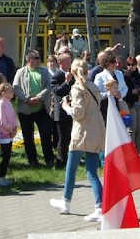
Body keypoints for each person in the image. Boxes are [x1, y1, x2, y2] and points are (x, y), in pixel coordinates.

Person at [49, 58, 105, 222]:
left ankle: (66, 202)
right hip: (96, 129)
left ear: (73, 73)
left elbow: (79, 113)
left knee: (71, 168)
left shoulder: (77, 88)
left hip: (82, 132)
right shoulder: (94, 87)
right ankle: (100, 206)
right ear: (87, 70)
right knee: (92, 172)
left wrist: (66, 107)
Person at [13, 51, 54, 168]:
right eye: (36, 58)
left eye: (39, 57)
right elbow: (16, 88)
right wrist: (27, 99)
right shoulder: (20, 72)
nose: (39, 60)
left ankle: (49, 159)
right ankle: (32, 160)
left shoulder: (44, 71)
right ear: (29, 60)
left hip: (41, 108)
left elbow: (49, 86)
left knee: (46, 134)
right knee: (28, 136)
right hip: (25, 110)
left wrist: (39, 97)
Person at [50, 51, 75, 168]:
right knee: (63, 138)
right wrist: (66, 82)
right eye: (68, 60)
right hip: (61, 112)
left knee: (70, 136)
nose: (71, 62)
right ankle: (60, 162)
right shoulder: (56, 75)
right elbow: (57, 92)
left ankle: (69, 159)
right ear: (62, 63)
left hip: (71, 109)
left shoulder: (72, 74)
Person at [0, 83, 18, 187]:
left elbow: (13, 117)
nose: (12, 92)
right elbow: (2, 120)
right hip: (4, 133)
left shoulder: (8, 102)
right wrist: (10, 130)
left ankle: (3, 177)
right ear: (3, 93)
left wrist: (15, 128)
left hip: (10, 132)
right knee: (5, 156)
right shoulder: (1, 104)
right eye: (10, 91)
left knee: (7, 156)